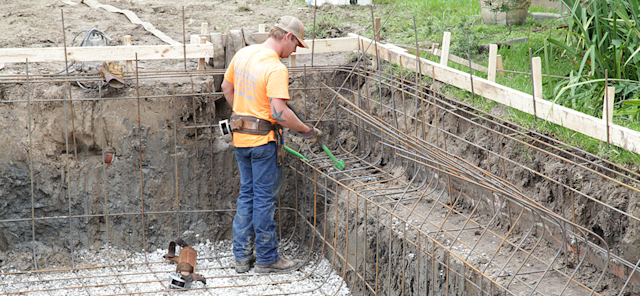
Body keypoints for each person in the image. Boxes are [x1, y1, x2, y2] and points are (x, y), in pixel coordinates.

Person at [221, 15, 321, 274]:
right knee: (264, 199)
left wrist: (245, 113)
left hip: (241, 139)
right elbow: (278, 113)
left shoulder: (243, 54)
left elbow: (226, 87)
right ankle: (267, 258)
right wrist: (305, 130)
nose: (294, 51)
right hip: (263, 143)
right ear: (288, 37)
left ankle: (242, 257)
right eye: (296, 45)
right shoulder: (276, 68)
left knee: (247, 194)